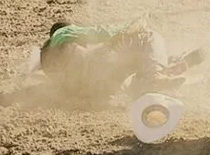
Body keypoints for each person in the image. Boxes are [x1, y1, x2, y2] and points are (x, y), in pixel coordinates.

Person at [35, 18, 198, 100]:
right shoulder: (62, 33)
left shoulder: (49, 65)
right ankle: (154, 75)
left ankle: (155, 74)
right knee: (147, 36)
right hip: (94, 77)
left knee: (128, 57)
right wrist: (132, 27)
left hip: (95, 90)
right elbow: (101, 33)